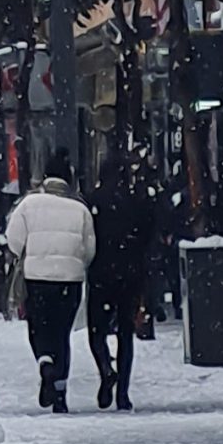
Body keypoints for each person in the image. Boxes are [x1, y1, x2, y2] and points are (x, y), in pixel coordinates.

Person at [3, 151, 96, 413]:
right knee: (62, 333)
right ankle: (60, 394)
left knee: (39, 327)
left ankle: (45, 363)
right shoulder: (80, 209)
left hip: (37, 277)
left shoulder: (28, 205)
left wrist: (30, 252)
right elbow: (89, 249)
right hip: (70, 279)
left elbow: (14, 240)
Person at [87, 149, 158, 411]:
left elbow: (87, 236)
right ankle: (123, 393)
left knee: (97, 331)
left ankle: (106, 367)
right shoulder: (136, 200)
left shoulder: (93, 201)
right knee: (126, 332)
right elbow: (149, 232)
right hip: (130, 272)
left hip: (101, 271)